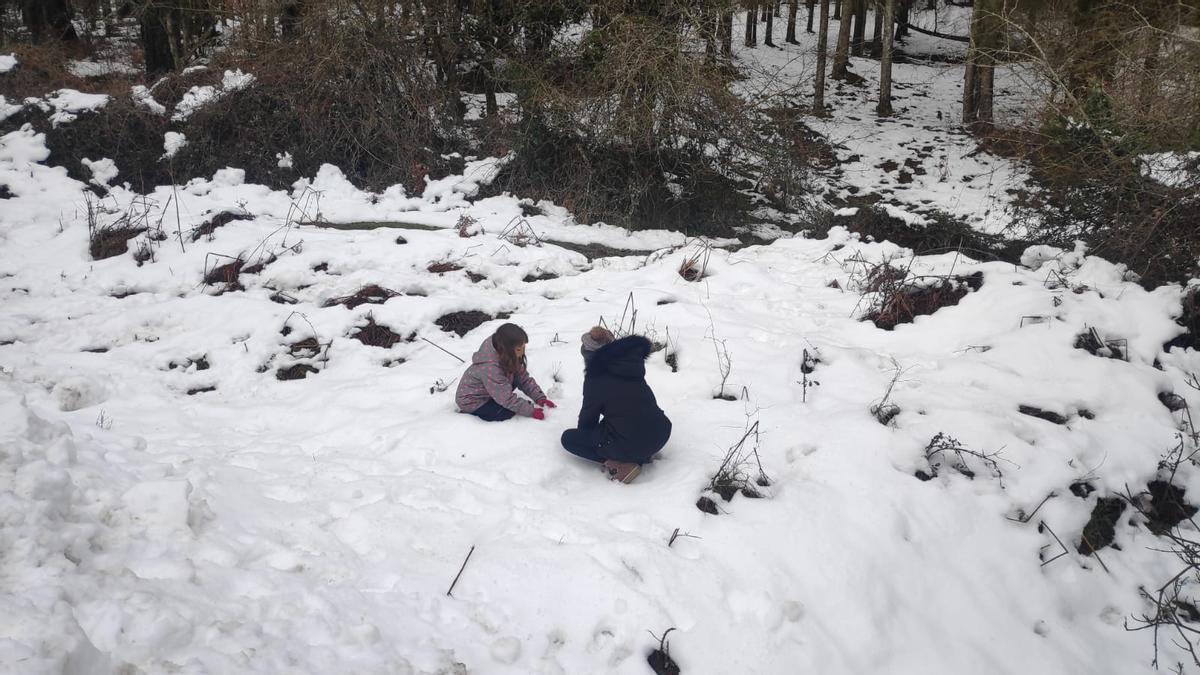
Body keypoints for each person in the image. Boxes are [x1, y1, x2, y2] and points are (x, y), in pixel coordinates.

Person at [560, 327, 672, 483]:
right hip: (661, 432)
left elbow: (589, 417)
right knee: (620, 420)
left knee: (568, 439)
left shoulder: (596, 379)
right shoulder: (632, 367)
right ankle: (639, 453)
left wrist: (587, 438)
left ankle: (625, 464)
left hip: (634, 442)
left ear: (591, 357)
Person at [455, 323, 555, 422]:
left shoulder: (508, 354)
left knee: (512, 390)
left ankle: (500, 400)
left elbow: (523, 379)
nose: (522, 353)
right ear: (506, 348)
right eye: (519, 349)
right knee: (505, 413)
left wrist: (539, 398)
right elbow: (506, 398)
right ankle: (472, 413)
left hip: (492, 390)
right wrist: (530, 410)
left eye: (524, 347)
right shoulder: (490, 367)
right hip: (472, 400)